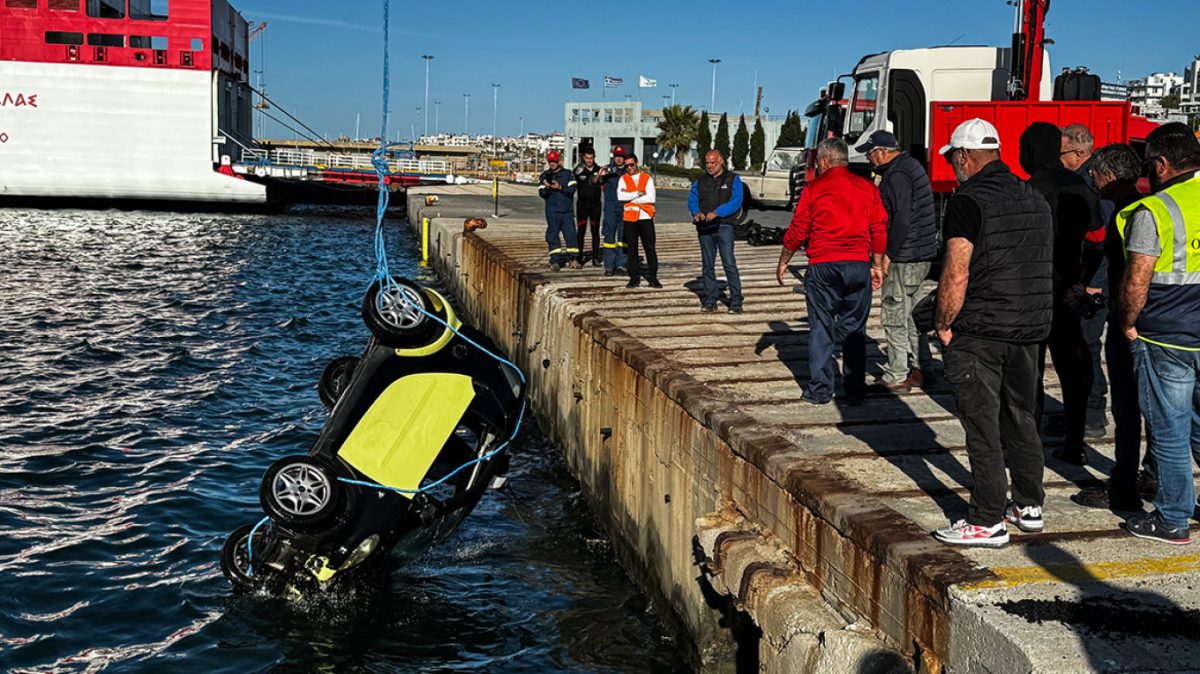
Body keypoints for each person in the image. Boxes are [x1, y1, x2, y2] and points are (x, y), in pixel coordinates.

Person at [931, 118, 1054, 548]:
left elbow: (957, 270)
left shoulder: (968, 200)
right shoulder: (1034, 197)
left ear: (965, 155)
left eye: (953, 158)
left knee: (981, 424)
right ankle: (1029, 504)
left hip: (982, 328)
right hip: (1029, 328)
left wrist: (943, 322)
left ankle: (987, 519)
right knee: (1021, 416)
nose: (953, 167)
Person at [1117, 123, 1200, 545]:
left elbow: (1137, 280)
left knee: (1169, 430)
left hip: (1166, 337)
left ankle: (1172, 517)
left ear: (1162, 164)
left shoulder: (1156, 210)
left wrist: (1128, 322)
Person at [1071, 143, 1157, 512]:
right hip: (1161, 319)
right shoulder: (1153, 205)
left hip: (1129, 317)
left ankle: (1124, 482)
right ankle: (1152, 474)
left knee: (1127, 407)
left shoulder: (1116, 208)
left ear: (1108, 175)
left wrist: (1123, 318)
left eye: (1094, 174)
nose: (1092, 179)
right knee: (1158, 407)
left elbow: (1116, 263)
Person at [776, 138, 887, 405]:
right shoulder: (867, 187)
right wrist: (877, 265)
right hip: (858, 264)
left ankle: (820, 390)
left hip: (823, 265)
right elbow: (879, 228)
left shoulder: (814, 189)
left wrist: (784, 260)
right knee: (854, 329)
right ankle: (855, 391)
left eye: (817, 162)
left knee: (821, 327)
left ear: (824, 161)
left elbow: (798, 229)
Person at [1019, 121, 1105, 466]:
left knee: (1030, 372)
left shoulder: (1026, 190)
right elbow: (1098, 242)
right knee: (1073, 369)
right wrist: (1080, 280)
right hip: (1068, 290)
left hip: (1031, 294)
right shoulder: (1081, 187)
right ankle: (1075, 441)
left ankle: (1030, 445)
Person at [856, 130, 938, 391]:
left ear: (882, 152)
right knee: (914, 316)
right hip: (922, 253)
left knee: (894, 315)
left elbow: (901, 218)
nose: (869, 159)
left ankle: (897, 373)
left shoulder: (897, 175)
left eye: (870, 154)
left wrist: (887, 255)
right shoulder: (910, 166)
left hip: (905, 256)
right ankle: (922, 368)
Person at [1062, 123, 1110, 437]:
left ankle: (1092, 414)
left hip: (1093, 282)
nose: (1060, 159)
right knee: (1081, 347)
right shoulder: (1083, 180)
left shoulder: (1091, 184)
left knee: (1087, 346)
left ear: (1079, 153)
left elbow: (1102, 241)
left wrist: (1095, 282)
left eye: (1063, 153)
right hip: (1087, 277)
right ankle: (1078, 412)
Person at [688, 150, 745, 313]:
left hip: (724, 226)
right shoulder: (700, 181)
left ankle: (736, 301)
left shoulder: (733, 179)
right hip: (705, 227)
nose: (709, 166)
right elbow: (692, 199)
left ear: (721, 161)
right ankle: (710, 300)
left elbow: (736, 200)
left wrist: (718, 212)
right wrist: (696, 212)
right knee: (707, 265)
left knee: (729, 263)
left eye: (712, 163)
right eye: (707, 163)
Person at [617, 153, 661, 288]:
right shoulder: (623, 179)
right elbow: (620, 196)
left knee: (650, 248)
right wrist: (638, 194)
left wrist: (630, 198)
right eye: (627, 166)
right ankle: (634, 278)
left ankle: (653, 278)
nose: (629, 168)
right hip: (630, 218)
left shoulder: (646, 178)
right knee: (632, 249)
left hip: (645, 217)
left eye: (632, 164)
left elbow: (651, 198)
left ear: (637, 164)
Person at [538, 151, 580, 270]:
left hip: (566, 211)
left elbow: (572, 189)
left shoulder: (568, 174)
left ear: (559, 162)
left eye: (554, 161)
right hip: (552, 211)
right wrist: (546, 187)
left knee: (571, 235)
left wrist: (560, 187)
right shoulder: (545, 176)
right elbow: (541, 193)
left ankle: (573, 259)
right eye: (550, 161)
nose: (552, 164)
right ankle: (555, 261)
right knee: (553, 236)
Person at [597, 146, 629, 276]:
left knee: (624, 237)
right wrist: (600, 175)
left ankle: (621, 264)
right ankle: (609, 266)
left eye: (621, 156)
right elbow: (594, 182)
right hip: (610, 208)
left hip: (625, 208)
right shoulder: (607, 170)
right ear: (613, 157)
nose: (619, 159)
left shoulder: (629, 171)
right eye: (616, 156)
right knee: (609, 237)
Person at [573, 148, 604, 266]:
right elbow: (569, 184)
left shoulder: (599, 170)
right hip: (582, 205)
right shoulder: (578, 170)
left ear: (594, 157)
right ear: (583, 158)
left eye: (591, 158)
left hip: (595, 205)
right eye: (587, 158)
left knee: (595, 231)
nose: (589, 160)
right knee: (581, 231)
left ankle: (596, 257)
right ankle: (579, 257)